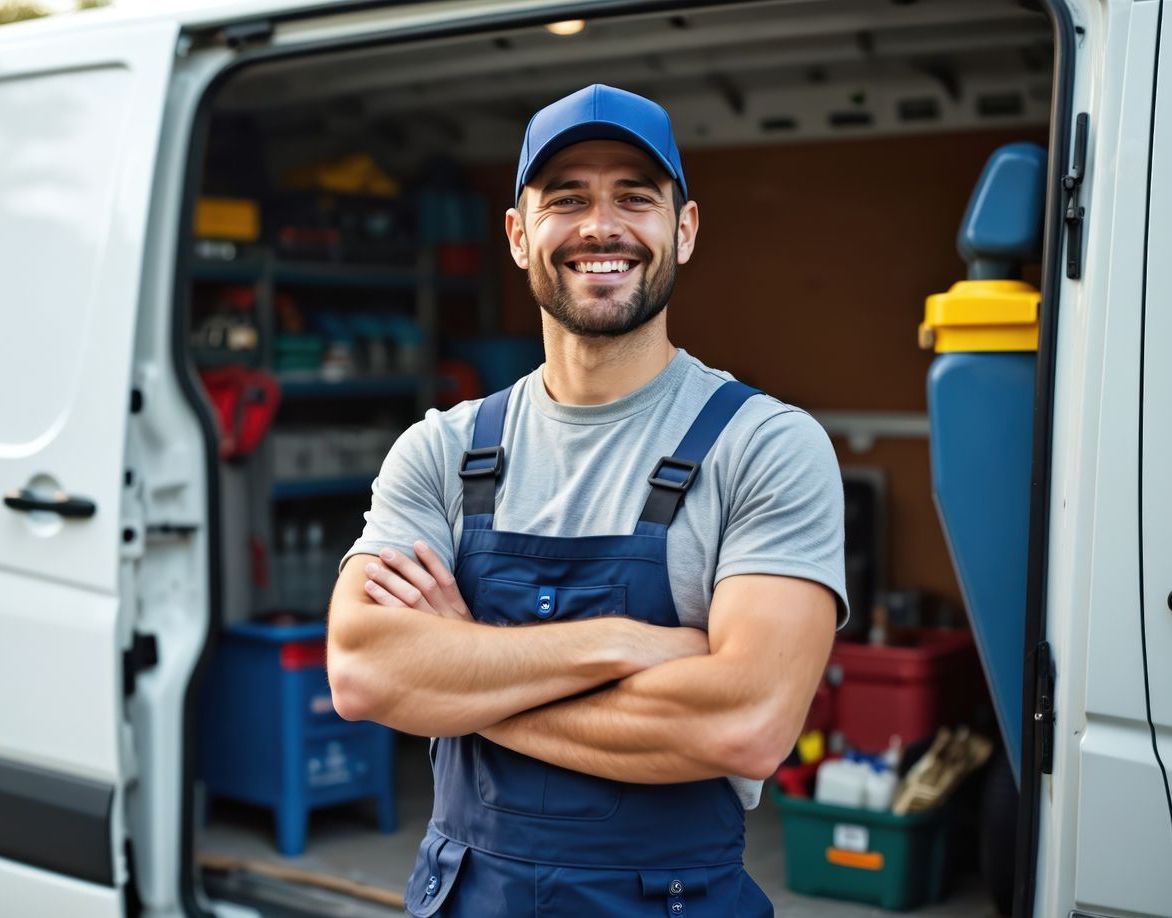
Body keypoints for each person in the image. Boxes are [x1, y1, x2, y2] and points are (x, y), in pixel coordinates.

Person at [325, 84, 847, 917]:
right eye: (567, 198)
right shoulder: (443, 448)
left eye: (634, 198)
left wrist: (465, 670)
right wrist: (621, 644)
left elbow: (745, 722)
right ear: (518, 233)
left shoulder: (767, 447)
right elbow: (363, 672)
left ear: (684, 229)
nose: (601, 226)